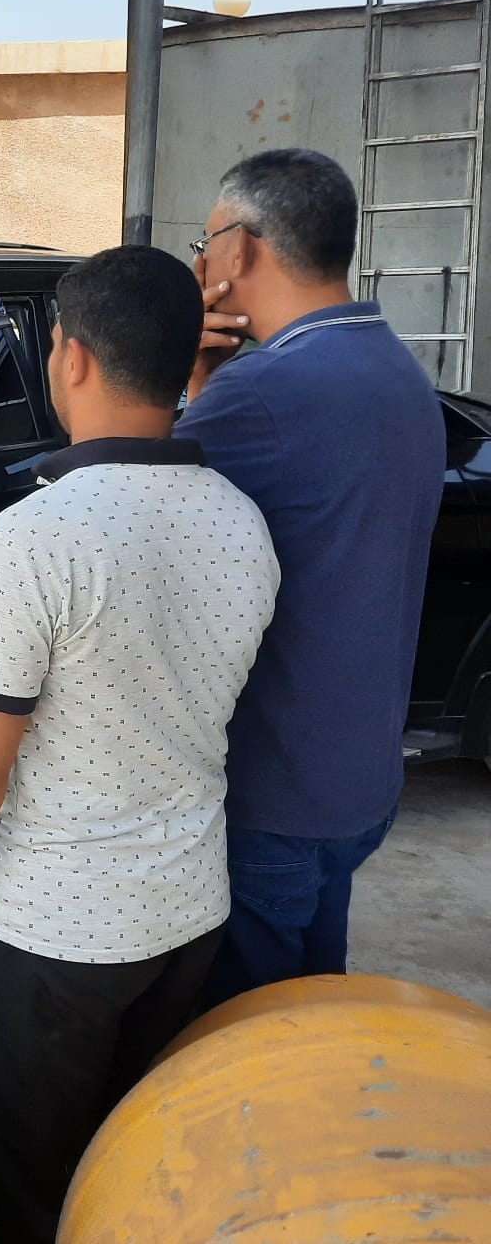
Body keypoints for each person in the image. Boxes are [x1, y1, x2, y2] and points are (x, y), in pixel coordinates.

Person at [0, 246, 280, 1244]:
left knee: (29, 1194)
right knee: (136, 1167)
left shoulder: (37, 536)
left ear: (69, 357)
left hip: (46, 937)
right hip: (186, 914)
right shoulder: (243, 524)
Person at [179, 148, 444, 1006]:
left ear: (242, 247)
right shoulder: (398, 371)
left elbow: (136, 506)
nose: (203, 263)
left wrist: (191, 379)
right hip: (358, 782)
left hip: (272, 797)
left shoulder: (261, 393)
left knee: (239, 1042)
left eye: (205, 245)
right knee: (314, 1011)